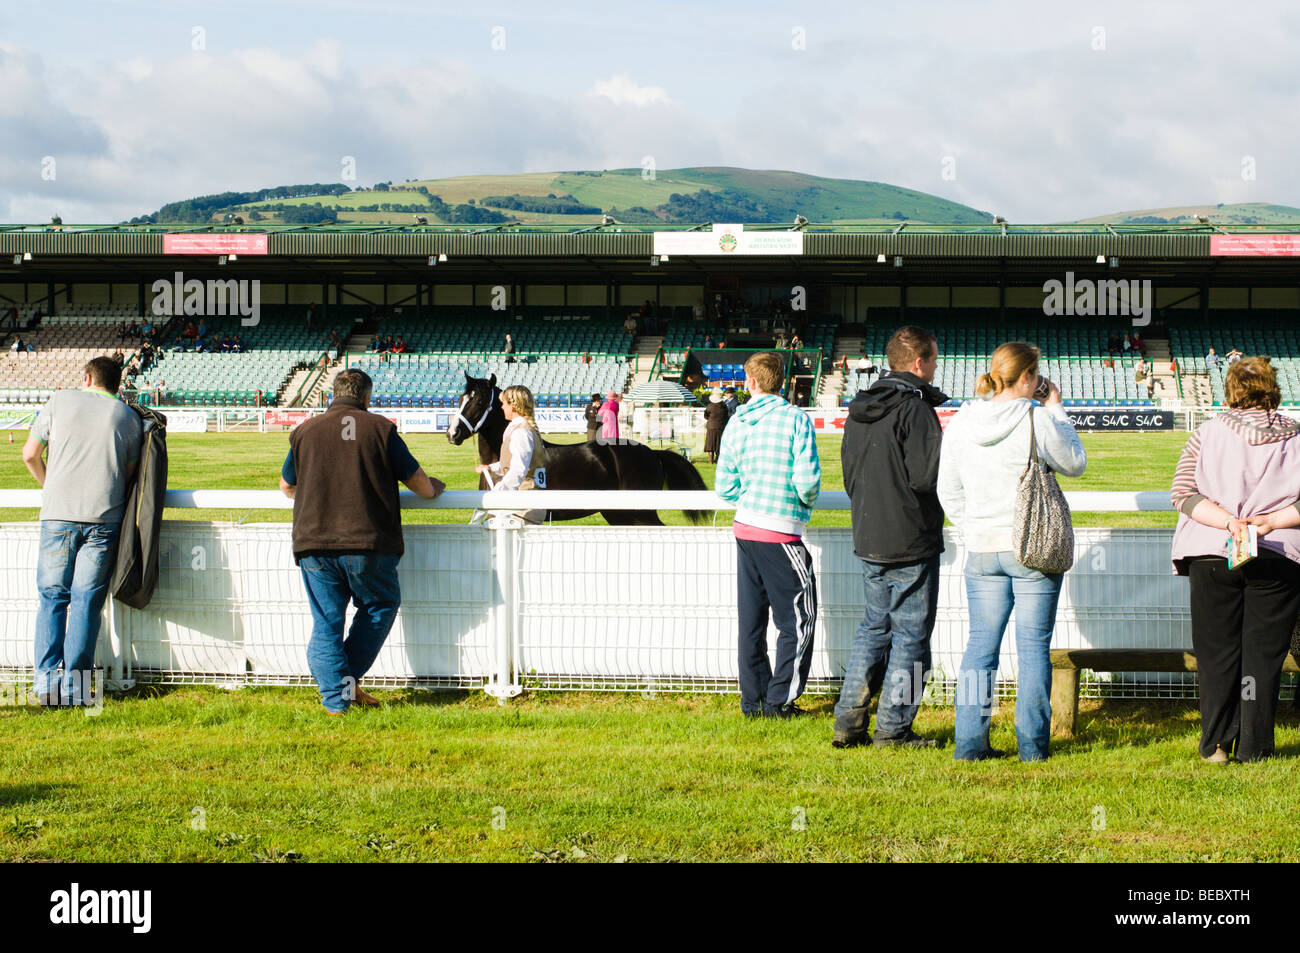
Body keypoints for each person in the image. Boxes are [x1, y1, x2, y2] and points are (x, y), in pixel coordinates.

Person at [937, 342, 1087, 762]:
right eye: (1036, 375)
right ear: (1028, 378)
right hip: (1031, 546)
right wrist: (1056, 408)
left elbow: (947, 488)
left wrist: (972, 529)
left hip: (982, 549)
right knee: (1033, 647)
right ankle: (1033, 747)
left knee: (979, 648)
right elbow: (1075, 462)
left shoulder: (963, 421)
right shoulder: (1037, 418)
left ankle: (969, 744)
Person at [279, 369, 445, 715]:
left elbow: (286, 486)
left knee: (327, 621)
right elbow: (422, 486)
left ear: (331, 394)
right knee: (380, 605)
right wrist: (436, 486)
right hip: (369, 543)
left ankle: (337, 695)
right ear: (367, 397)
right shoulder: (380, 428)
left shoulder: (304, 431)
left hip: (314, 543)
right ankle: (341, 689)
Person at [1170, 357, 1300, 763]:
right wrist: (1271, 521)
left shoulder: (1206, 432)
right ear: (1273, 388)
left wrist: (1229, 522)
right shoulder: (1297, 436)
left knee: (1216, 653)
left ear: (1230, 390)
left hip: (1212, 551)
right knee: (1262, 656)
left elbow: (1183, 495)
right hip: (1278, 552)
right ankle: (1255, 746)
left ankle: (1216, 745)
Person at [834, 327, 949, 749]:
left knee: (873, 628)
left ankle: (848, 723)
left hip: (869, 535)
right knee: (910, 636)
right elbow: (926, 476)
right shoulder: (915, 408)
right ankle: (893, 730)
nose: (935, 369)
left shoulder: (860, 406)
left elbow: (849, 476)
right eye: (934, 360)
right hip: (909, 538)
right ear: (919, 363)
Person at [22, 357, 143, 707]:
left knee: (52, 598)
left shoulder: (60, 400)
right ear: (117, 385)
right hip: (104, 519)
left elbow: (30, 455)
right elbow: (131, 473)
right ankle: (76, 689)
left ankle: (46, 686)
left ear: (87, 378)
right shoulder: (127, 416)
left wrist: (52, 489)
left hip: (58, 515)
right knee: (87, 602)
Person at [714, 352, 821, 718]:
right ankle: (779, 701)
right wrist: (800, 506)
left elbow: (724, 486)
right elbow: (808, 482)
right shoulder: (796, 419)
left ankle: (753, 701)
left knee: (752, 621)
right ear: (782, 381)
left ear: (752, 383)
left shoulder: (736, 421)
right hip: (782, 532)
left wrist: (751, 499)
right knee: (798, 621)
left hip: (746, 529)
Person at [476, 385, 550, 523]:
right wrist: (491, 468)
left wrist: (498, 493)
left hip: (522, 508)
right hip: (527, 505)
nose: (502, 407)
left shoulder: (521, 432)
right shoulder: (525, 429)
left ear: (513, 406)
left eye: (504, 403)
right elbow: (516, 462)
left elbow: (518, 470)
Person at [703, 387, 729, 464]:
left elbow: (705, 416)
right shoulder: (724, 406)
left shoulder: (710, 406)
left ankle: (710, 461)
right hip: (720, 427)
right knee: (718, 444)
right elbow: (726, 416)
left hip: (711, 427)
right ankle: (717, 459)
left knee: (710, 444)